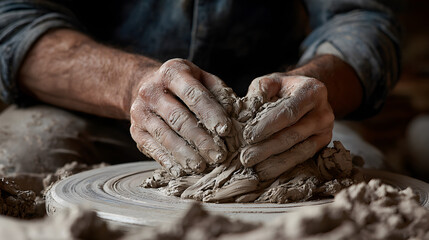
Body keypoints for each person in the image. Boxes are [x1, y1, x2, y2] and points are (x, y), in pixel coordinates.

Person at [0, 0, 400, 179]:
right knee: (22, 163)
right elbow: (11, 21)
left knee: (367, 175)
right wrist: (131, 85)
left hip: (274, 121)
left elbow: (362, 19)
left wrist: (318, 84)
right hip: (95, 102)